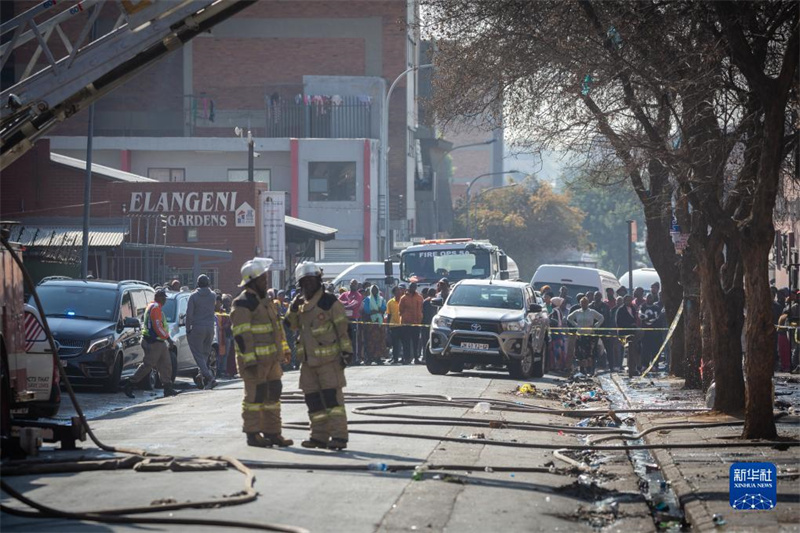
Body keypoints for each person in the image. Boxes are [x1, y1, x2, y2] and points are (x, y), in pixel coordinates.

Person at [285, 261, 352, 450]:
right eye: (304, 282)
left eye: (311, 281)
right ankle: (318, 437)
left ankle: (339, 437)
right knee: (313, 402)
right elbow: (291, 325)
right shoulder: (300, 304)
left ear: (318, 280)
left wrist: (347, 353)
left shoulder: (329, 302)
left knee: (333, 401)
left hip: (329, 362)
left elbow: (343, 330)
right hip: (307, 363)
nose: (307, 285)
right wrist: (292, 308)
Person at [231, 258, 293, 448]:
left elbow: (277, 330)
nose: (266, 282)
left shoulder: (266, 302)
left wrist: (284, 350)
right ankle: (252, 434)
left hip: (272, 360)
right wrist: (249, 361)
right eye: (262, 279)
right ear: (251, 281)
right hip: (254, 362)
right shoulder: (242, 303)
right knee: (255, 398)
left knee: (273, 394)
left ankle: (273, 433)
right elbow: (242, 335)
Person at [123, 289, 176, 398]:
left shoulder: (153, 306)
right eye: (163, 297)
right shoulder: (155, 308)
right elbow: (157, 326)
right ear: (158, 298)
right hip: (153, 341)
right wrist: (168, 338)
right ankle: (130, 384)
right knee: (148, 365)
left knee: (166, 364)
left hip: (159, 341)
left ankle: (167, 387)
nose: (165, 299)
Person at [186, 274, 218, 390]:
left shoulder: (193, 296)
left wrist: (187, 328)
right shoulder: (213, 295)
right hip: (210, 327)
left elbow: (189, 315)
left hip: (198, 327)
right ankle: (202, 376)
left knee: (198, 354)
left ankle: (209, 377)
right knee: (205, 353)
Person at [567, 297, 605, 375]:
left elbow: (601, 318)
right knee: (580, 353)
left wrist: (596, 325)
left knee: (589, 353)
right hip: (580, 335)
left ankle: (589, 370)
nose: (583, 305)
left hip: (590, 335)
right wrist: (576, 325)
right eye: (582, 303)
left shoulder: (592, 312)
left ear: (588, 304)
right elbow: (569, 318)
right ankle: (582, 370)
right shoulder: (577, 312)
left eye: (585, 303)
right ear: (580, 304)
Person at [616, 295, 642, 377]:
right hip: (624, 333)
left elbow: (635, 319)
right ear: (624, 301)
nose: (629, 302)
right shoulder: (620, 310)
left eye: (630, 300)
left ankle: (634, 367)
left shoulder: (633, 309)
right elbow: (618, 322)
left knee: (635, 350)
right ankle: (628, 367)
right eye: (627, 300)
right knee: (627, 350)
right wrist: (629, 325)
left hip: (633, 333)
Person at [339, 279, 364, 365]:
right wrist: (347, 303)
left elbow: (353, 305)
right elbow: (337, 302)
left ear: (357, 286)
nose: (353, 285)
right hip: (344, 320)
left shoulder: (359, 295)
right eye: (351, 284)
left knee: (354, 340)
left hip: (353, 320)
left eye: (354, 284)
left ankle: (355, 359)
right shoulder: (344, 294)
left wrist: (344, 304)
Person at [399, 282, 424, 364]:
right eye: (411, 287)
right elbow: (401, 310)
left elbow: (421, 309)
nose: (413, 288)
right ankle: (407, 358)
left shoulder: (420, 297)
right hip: (406, 323)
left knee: (416, 342)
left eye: (414, 287)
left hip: (416, 323)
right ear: (409, 287)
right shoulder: (403, 298)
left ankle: (416, 358)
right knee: (406, 342)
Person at [362, 285, 387, 364]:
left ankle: (378, 358)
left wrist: (376, 310)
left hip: (379, 322)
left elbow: (383, 308)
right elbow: (367, 310)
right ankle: (370, 358)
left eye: (376, 289)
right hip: (371, 323)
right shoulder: (367, 299)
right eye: (373, 290)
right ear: (371, 291)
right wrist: (376, 311)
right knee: (370, 340)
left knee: (380, 340)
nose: (375, 291)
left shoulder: (381, 299)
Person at [639, 293, 661, 369]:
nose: (649, 299)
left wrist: (647, 317)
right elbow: (641, 316)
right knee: (645, 349)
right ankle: (645, 365)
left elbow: (656, 317)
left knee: (655, 349)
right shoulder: (642, 307)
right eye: (648, 297)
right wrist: (647, 317)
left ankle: (655, 365)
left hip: (655, 332)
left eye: (651, 298)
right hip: (645, 332)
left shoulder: (656, 307)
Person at [214, 294, 233, 379]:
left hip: (227, 334)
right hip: (219, 334)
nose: (227, 303)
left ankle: (223, 370)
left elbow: (229, 321)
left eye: (228, 301)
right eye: (225, 301)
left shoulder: (226, 311)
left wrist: (226, 325)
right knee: (219, 354)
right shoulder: (218, 311)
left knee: (225, 354)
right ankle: (218, 370)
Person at [386, 286, 405, 364]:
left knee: (404, 343)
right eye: (397, 291)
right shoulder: (390, 302)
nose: (399, 292)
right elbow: (388, 315)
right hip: (394, 326)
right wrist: (388, 326)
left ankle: (404, 358)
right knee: (395, 344)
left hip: (403, 325)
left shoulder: (404, 300)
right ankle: (395, 358)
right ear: (394, 293)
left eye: (399, 290)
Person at [548, 296, 568, 371]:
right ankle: (559, 365)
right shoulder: (558, 310)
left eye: (551, 303)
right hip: (559, 332)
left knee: (555, 349)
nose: (550, 304)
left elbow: (554, 322)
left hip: (555, 333)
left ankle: (556, 366)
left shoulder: (555, 311)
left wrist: (548, 320)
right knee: (559, 349)